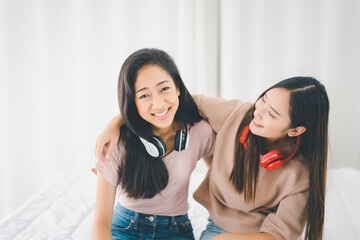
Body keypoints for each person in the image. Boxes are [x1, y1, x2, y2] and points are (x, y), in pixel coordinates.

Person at [95, 77, 329, 240]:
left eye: (272, 113)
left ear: (295, 130)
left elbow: (279, 235)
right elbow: (177, 103)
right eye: (264, 100)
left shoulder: (301, 175)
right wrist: (117, 122)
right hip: (219, 229)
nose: (259, 112)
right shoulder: (238, 114)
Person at [92, 48, 215, 240]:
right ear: (133, 103)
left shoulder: (201, 132)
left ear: (178, 88)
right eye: (144, 95)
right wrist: (115, 123)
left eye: (164, 88)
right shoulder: (116, 142)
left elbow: (220, 178)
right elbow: (101, 223)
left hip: (176, 229)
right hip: (126, 227)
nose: (158, 104)